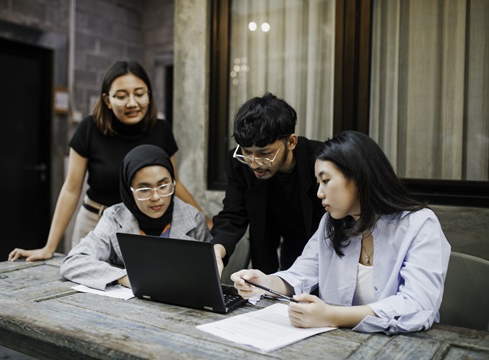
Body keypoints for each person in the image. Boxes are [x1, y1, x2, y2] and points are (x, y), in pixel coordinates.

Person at [231, 131, 451, 334]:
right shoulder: (331, 223)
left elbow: (417, 305)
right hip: (337, 344)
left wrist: (331, 316)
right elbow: (300, 275)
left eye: (326, 181)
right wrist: (263, 283)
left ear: (358, 177)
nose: (319, 193)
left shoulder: (420, 224)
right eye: (318, 183)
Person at [9, 60, 208, 262]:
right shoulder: (89, 128)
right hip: (95, 221)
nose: (132, 103)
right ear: (107, 100)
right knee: (86, 279)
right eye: (121, 96)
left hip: (140, 226)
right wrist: (49, 247)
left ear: (149, 94)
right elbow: (71, 188)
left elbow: (173, 182)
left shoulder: (161, 130)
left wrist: (202, 219)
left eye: (139, 94)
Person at [60, 144, 211, 290]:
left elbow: (207, 275)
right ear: (128, 189)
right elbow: (74, 261)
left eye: (163, 186)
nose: (156, 197)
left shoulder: (194, 219)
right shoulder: (114, 217)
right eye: (144, 189)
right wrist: (126, 278)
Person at [211, 93, 324, 275]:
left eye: (265, 153)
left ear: (291, 142)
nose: (254, 163)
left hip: (322, 250)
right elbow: (233, 215)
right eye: (247, 152)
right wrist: (216, 251)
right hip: (273, 252)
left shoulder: (320, 160)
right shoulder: (239, 164)